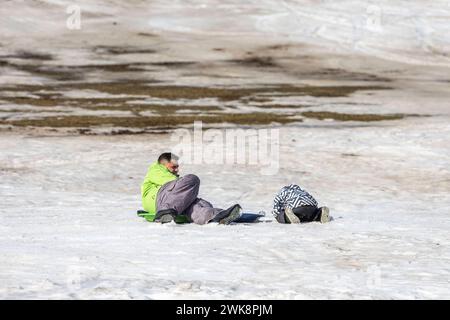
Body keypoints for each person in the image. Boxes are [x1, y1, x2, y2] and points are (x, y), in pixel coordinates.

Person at [141, 152, 241, 225]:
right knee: (192, 179)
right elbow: (175, 182)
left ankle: (216, 216)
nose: (177, 170)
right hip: (159, 199)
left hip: (169, 203)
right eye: (173, 167)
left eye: (177, 167)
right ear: (162, 164)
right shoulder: (156, 170)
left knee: (198, 205)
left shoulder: (166, 174)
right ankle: (164, 212)